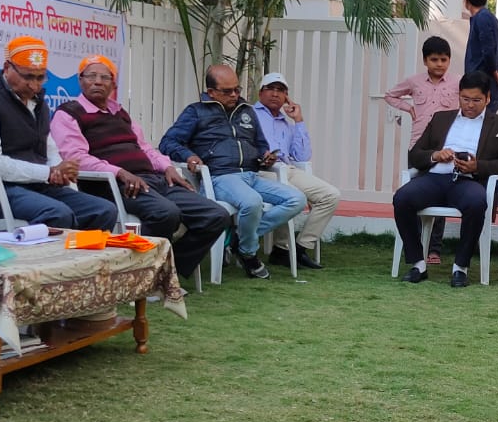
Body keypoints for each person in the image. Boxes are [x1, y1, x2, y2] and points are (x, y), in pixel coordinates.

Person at [50, 56, 228, 281]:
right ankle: (144, 276)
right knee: (166, 213)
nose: (98, 82)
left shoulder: (120, 113)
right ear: (80, 80)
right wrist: (119, 172)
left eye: (105, 77)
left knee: (216, 215)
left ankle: (166, 270)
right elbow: (76, 158)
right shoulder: (68, 113)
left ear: (113, 84)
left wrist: (167, 167)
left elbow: (144, 148)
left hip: (153, 179)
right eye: (91, 76)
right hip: (115, 185)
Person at [159, 65, 306, 280]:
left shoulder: (246, 111)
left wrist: (265, 156)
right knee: (252, 202)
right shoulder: (196, 112)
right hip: (220, 176)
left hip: (251, 175)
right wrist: (188, 155)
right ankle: (248, 253)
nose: (235, 95)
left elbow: (260, 144)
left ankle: (240, 239)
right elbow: (168, 142)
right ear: (211, 92)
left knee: (297, 199)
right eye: (227, 91)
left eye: (237, 89)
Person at [0, 36, 119, 232]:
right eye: (27, 77)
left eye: (40, 77)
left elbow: (50, 150)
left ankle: (77, 253)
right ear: (7, 68)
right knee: (58, 213)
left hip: (37, 186)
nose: (34, 85)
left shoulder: (39, 102)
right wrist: (48, 173)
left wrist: (61, 173)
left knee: (103, 210)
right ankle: (34, 253)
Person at [393, 71, 498, 286]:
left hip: (469, 181)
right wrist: (435, 155)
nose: (469, 105)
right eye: (465, 98)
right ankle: (418, 264)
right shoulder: (441, 118)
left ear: (488, 98)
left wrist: (477, 166)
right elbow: (415, 155)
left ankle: (460, 267)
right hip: (435, 179)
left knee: (476, 203)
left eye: (476, 100)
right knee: (402, 198)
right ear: (458, 95)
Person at [384, 35, 462, 264]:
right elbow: (390, 95)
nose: (439, 64)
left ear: (449, 60)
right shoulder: (414, 81)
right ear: (425, 60)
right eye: (434, 59)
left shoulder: (457, 82)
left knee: (440, 196)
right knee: (414, 196)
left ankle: (434, 249)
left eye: (444, 60)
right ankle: (415, 246)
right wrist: (408, 108)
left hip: (445, 148)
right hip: (418, 146)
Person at [252, 72, 337, 270]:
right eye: (270, 89)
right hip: (261, 170)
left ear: (286, 97)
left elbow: (302, 156)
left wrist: (298, 120)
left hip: (287, 168)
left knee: (330, 195)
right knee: (291, 194)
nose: (275, 94)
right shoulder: (250, 114)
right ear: (260, 93)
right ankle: (281, 248)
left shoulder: (286, 122)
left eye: (280, 90)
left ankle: (299, 248)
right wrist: (261, 156)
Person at [462, 0, 498, 112]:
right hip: (487, 89)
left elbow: (489, 51)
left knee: (479, 125)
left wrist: (496, 74)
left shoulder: (482, 18)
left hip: (481, 89)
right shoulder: (492, 19)